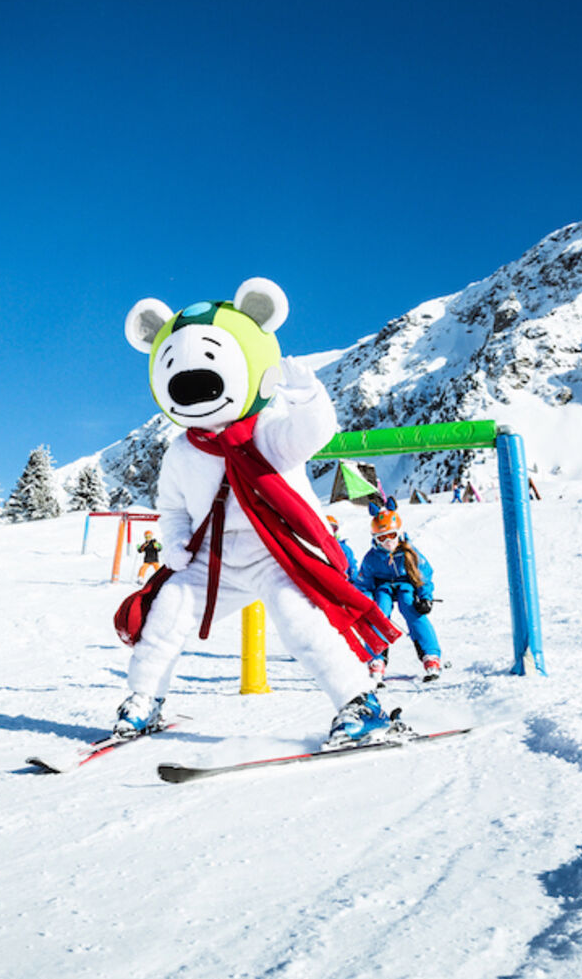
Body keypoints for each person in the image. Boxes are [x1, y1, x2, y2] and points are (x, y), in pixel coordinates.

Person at [113, 277, 403, 749]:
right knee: (167, 614)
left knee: (299, 623)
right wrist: (175, 542)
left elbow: (314, 435)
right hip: (213, 561)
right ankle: (144, 700)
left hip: (276, 552)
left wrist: (308, 396)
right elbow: (170, 505)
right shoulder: (182, 452)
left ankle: (359, 704)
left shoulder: (266, 432)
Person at [354, 501, 442, 684]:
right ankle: (376, 658)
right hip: (383, 588)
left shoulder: (409, 553)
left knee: (411, 608)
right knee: (380, 613)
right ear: (374, 538)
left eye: (392, 535)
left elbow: (424, 575)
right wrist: (365, 601)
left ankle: (430, 655)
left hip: (405, 586)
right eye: (382, 538)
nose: (388, 542)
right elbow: (363, 584)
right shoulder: (371, 558)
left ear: (400, 533)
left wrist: (426, 597)